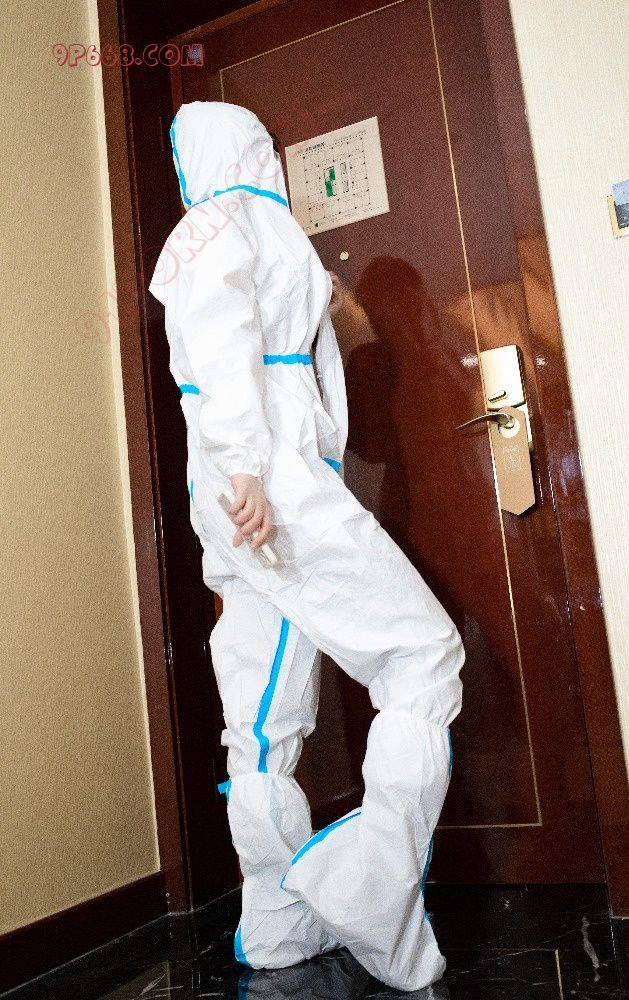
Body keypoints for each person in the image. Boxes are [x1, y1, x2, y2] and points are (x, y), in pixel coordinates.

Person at [149, 100, 465, 993]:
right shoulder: (235, 226)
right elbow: (223, 349)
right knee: (422, 655)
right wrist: (250, 466)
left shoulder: (225, 226)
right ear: (254, 150)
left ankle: (278, 922)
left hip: (239, 485)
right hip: (267, 480)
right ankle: (367, 884)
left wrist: (239, 471)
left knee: (261, 717)